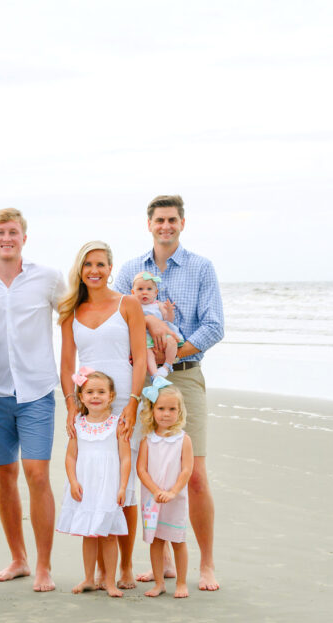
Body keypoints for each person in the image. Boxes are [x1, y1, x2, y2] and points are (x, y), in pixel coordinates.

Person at [115, 194, 225, 591]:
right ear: (149, 224)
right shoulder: (129, 269)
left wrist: (175, 348)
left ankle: (206, 564)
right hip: (142, 380)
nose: (166, 226)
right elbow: (115, 317)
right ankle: (162, 564)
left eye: (172, 220)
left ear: (182, 223)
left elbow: (214, 326)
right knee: (149, 474)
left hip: (184, 376)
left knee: (193, 474)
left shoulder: (200, 268)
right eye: (159, 220)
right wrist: (151, 323)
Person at [0, 208, 63, 592]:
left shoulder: (48, 279)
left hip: (37, 391)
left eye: (13, 232)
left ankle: (44, 566)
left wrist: (149, 317)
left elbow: (82, 314)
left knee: (37, 475)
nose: (6, 238)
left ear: (24, 237)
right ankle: (19, 560)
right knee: (4, 476)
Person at [58, 240, 147, 589]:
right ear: (80, 269)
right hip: (88, 400)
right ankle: (96, 572)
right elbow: (66, 364)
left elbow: (140, 357)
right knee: (93, 480)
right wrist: (70, 404)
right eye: (87, 264)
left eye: (100, 264)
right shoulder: (70, 310)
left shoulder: (128, 304)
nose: (94, 270)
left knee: (123, 486)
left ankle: (124, 567)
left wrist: (133, 403)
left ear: (111, 268)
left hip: (124, 397)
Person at [56, 369, 130, 598]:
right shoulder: (77, 424)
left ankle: (109, 581)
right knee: (88, 535)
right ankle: (89, 578)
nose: (95, 396)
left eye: (101, 392)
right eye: (89, 392)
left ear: (112, 396)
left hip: (108, 486)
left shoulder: (118, 423)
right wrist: (73, 481)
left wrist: (122, 487)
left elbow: (125, 457)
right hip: (85, 487)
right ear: (81, 396)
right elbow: (70, 457)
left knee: (108, 535)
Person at [137, 378, 194, 598]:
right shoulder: (147, 440)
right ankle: (159, 582)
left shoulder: (183, 439)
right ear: (152, 410)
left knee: (178, 540)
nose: (166, 413)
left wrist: (171, 492)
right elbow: (141, 470)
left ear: (179, 412)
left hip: (175, 499)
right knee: (157, 540)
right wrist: (155, 491)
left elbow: (186, 470)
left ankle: (181, 583)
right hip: (153, 499)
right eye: (161, 408)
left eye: (172, 409)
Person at [131, 271, 184, 378]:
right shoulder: (133, 305)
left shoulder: (158, 305)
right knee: (147, 353)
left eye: (149, 289)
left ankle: (167, 366)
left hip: (163, 335)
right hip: (144, 337)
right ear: (133, 292)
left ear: (156, 292)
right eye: (140, 289)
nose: (144, 292)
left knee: (172, 342)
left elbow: (168, 320)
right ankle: (154, 374)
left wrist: (169, 311)